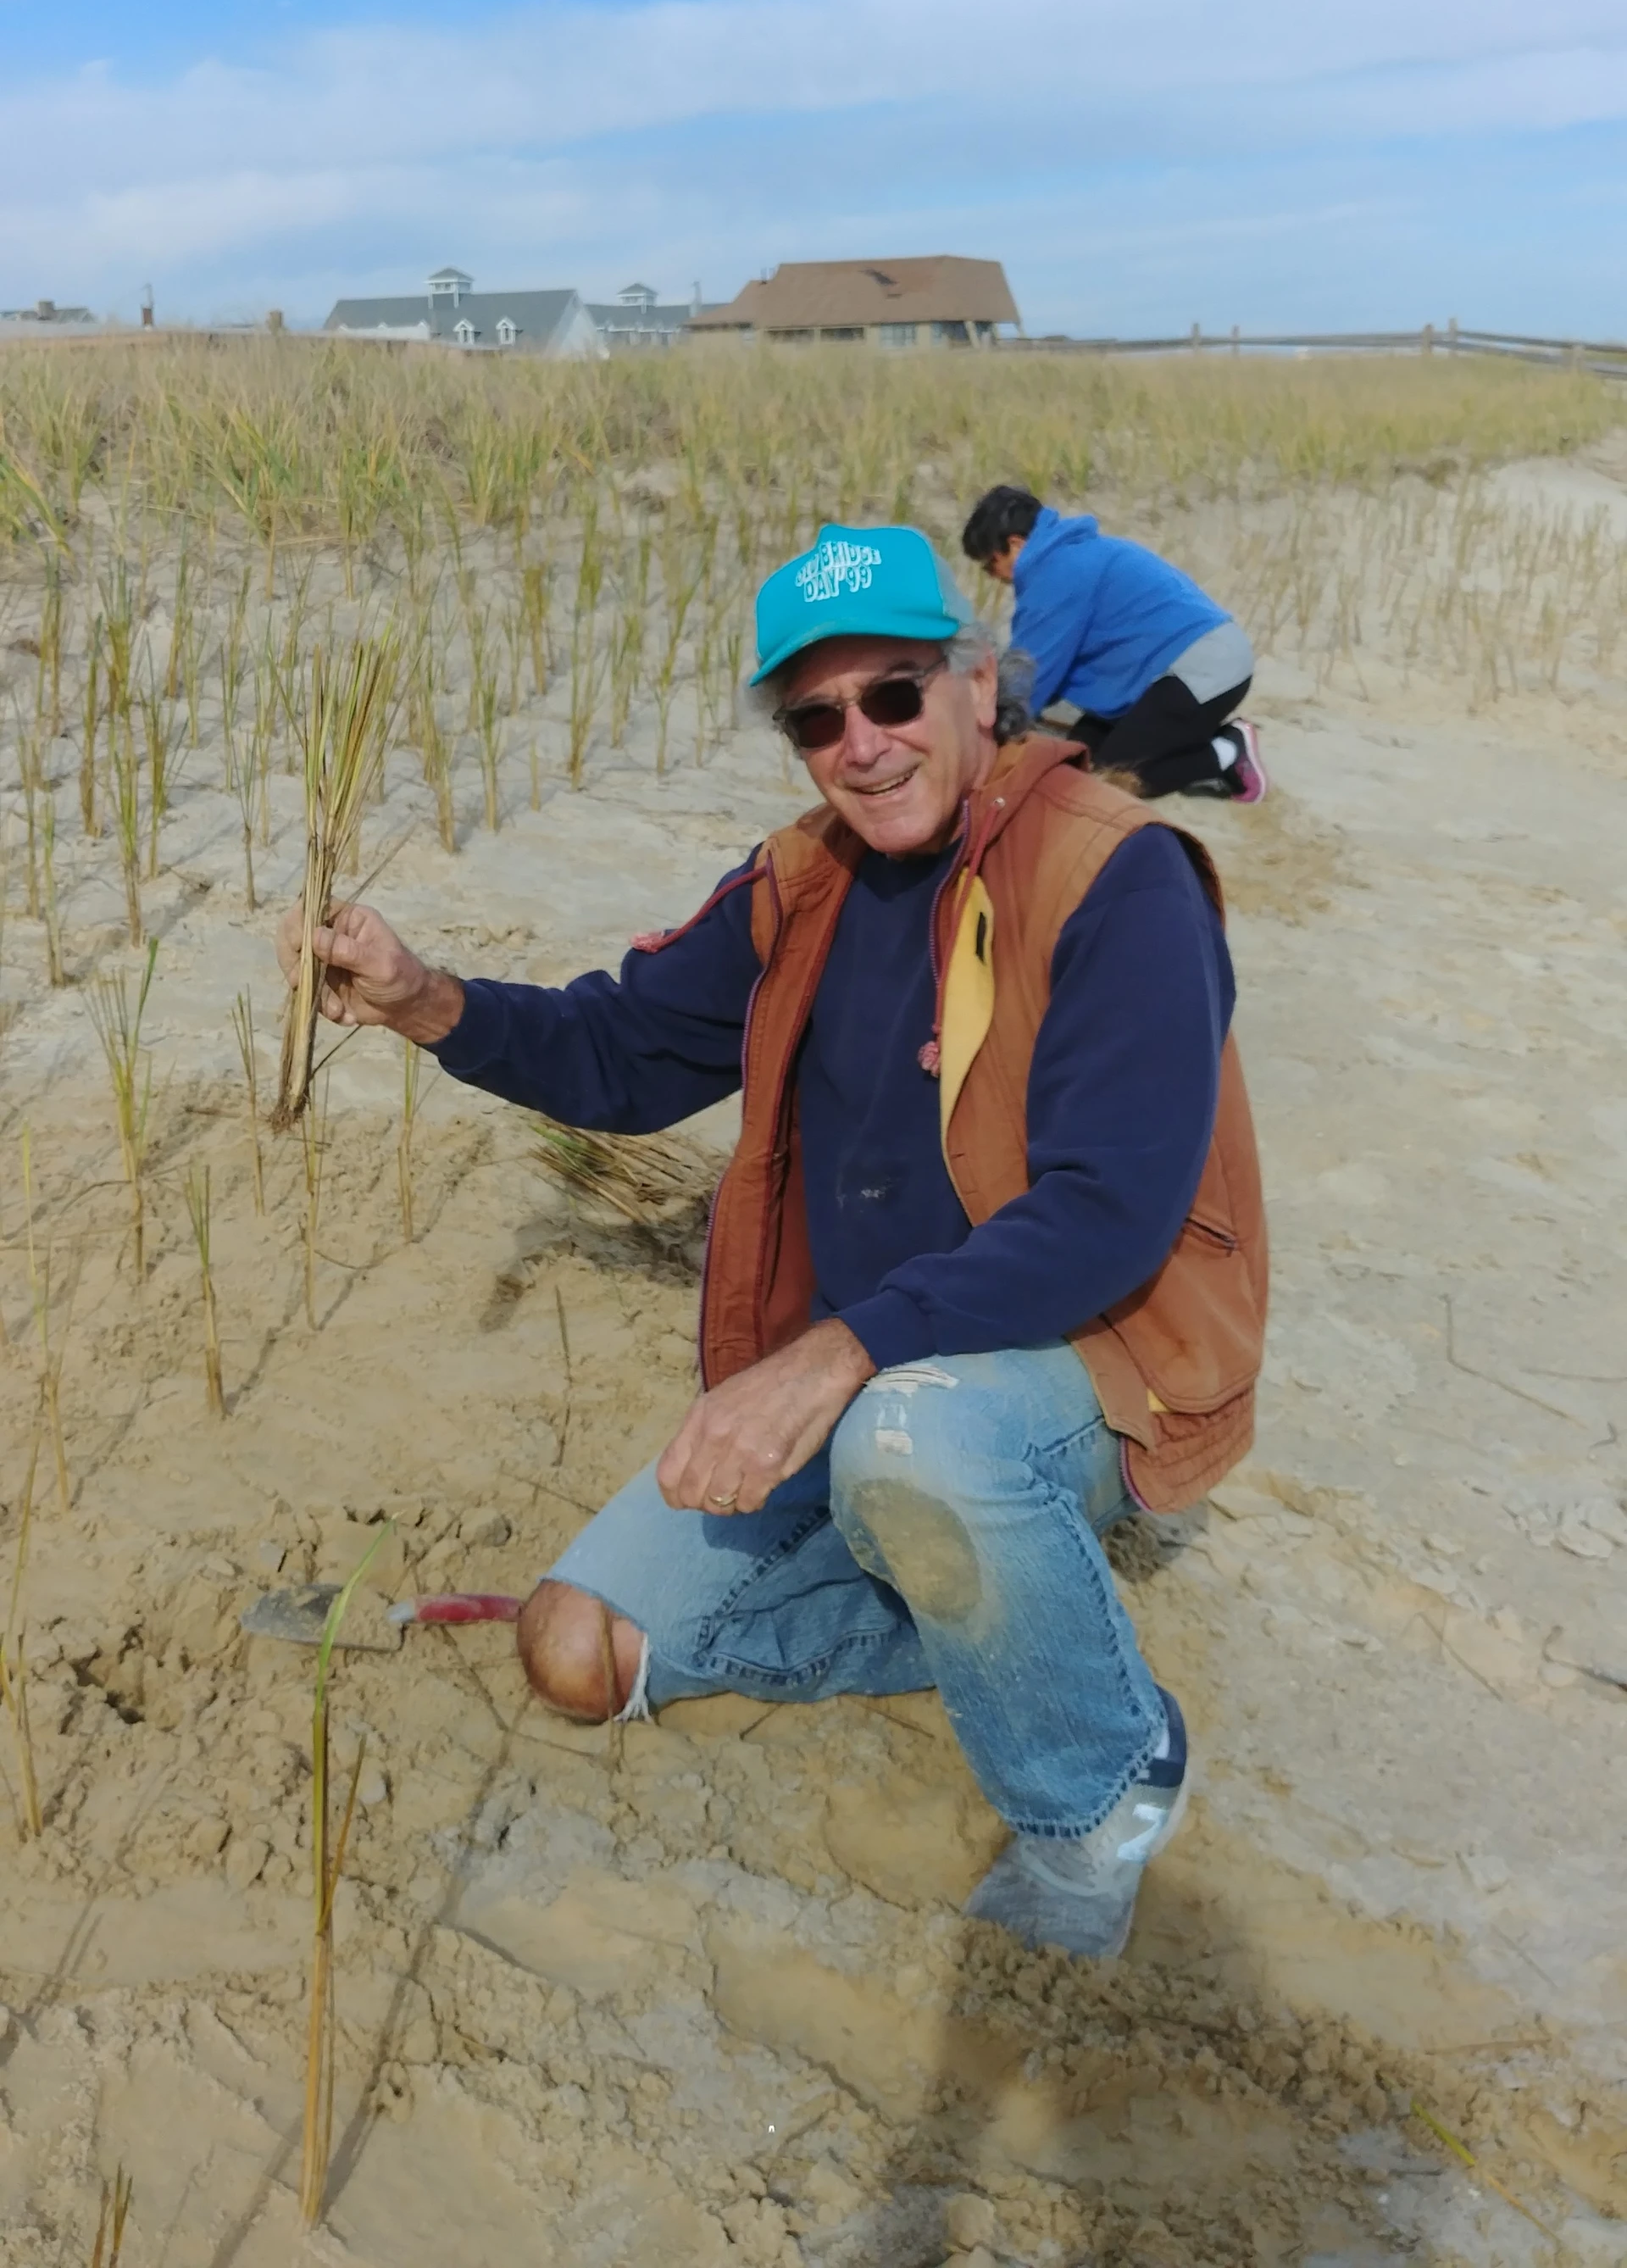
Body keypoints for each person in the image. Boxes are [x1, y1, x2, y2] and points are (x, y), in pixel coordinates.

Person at [276, 521, 1268, 1960]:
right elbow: (621, 1048)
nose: (859, 743)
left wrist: (833, 1359)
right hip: (862, 1385)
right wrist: (430, 999)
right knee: (575, 1647)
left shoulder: (1120, 879)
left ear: (980, 686)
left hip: (1065, 1379)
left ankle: (1102, 1786)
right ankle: (1000, 1611)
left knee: (911, 1446)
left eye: (894, 693)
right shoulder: (797, 879)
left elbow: (1106, 1213)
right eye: (817, 715)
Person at [961, 484, 1269, 803]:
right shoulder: (1073, 554)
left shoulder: (1057, 574)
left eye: (990, 564)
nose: (992, 575)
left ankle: (1226, 751)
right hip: (1180, 665)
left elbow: (1029, 677)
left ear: (1015, 544)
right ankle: (1188, 742)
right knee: (1078, 755)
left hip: (1206, 670)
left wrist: (979, 737)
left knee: (1108, 781)